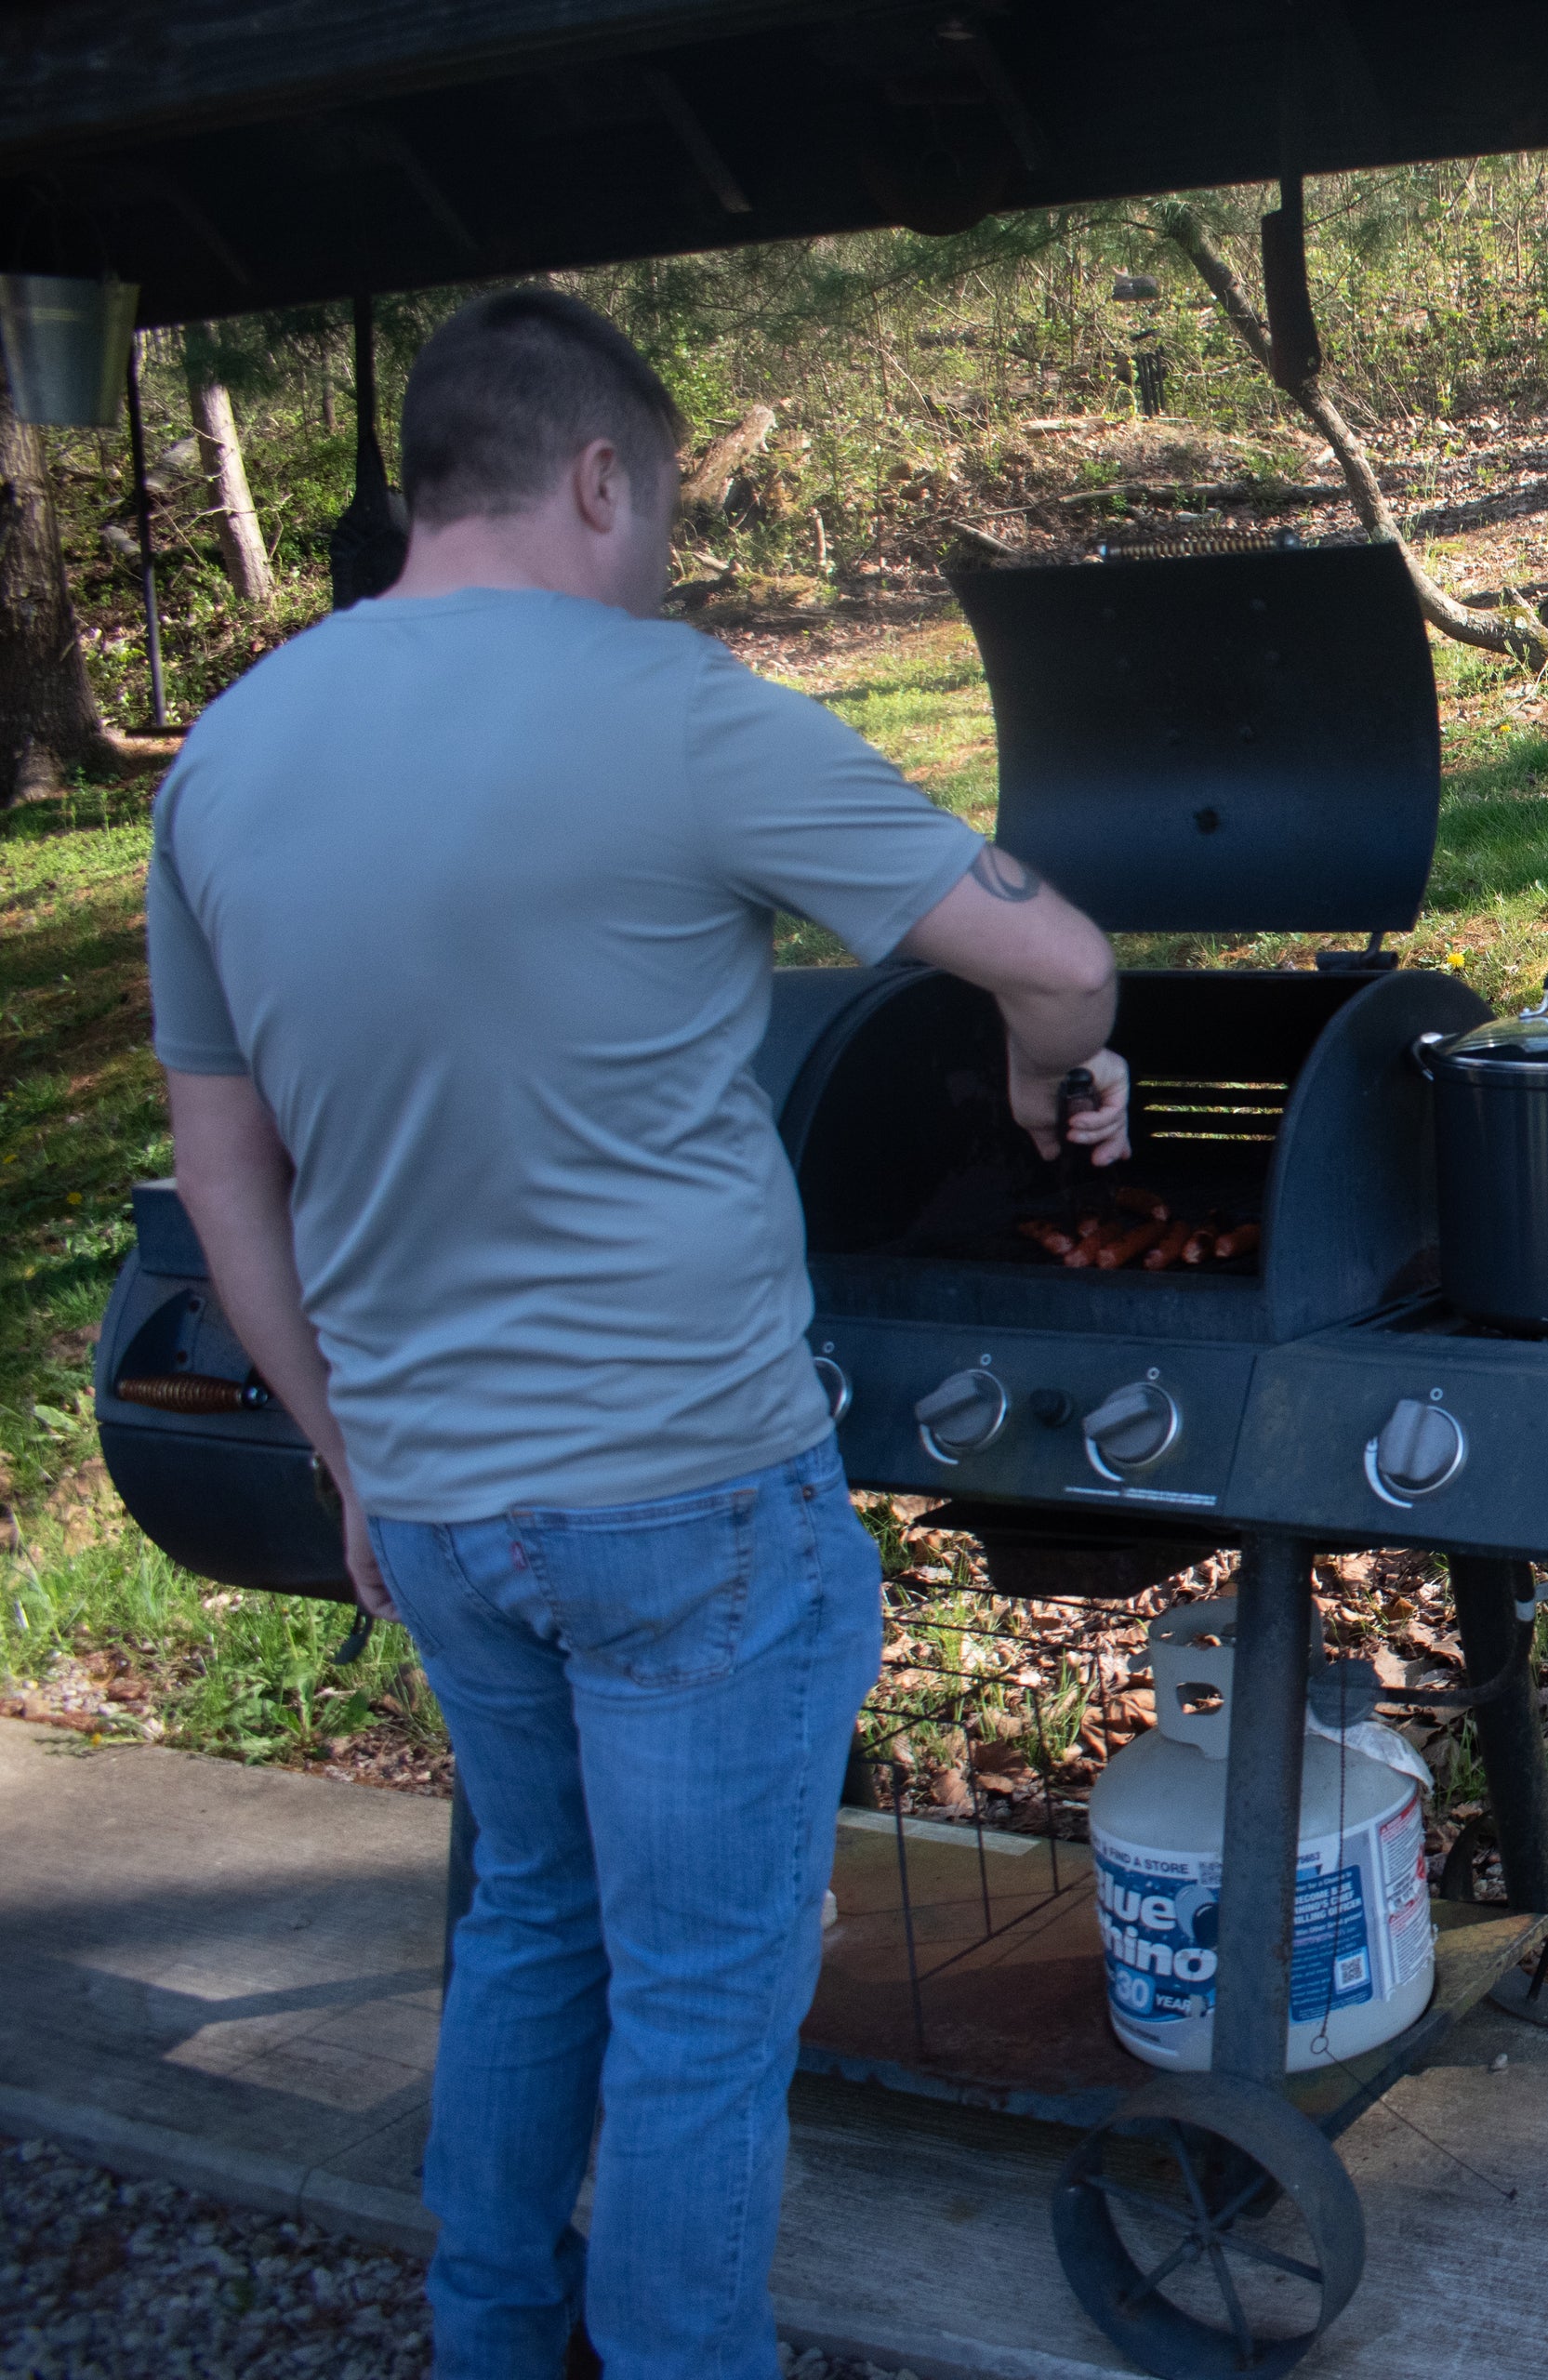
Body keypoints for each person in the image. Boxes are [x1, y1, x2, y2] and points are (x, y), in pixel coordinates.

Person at [145, 287, 1130, 2379]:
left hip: (435, 1496)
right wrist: (1052, 1073)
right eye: (662, 509)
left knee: (533, 1923)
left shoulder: (225, 757)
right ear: (599, 476)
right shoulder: (678, 710)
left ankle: (492, 2340)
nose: (663, 556)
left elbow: (227, 1183)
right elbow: (1056, 954)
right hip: (687, 1489)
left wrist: (345, 1450)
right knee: (702, 1995)